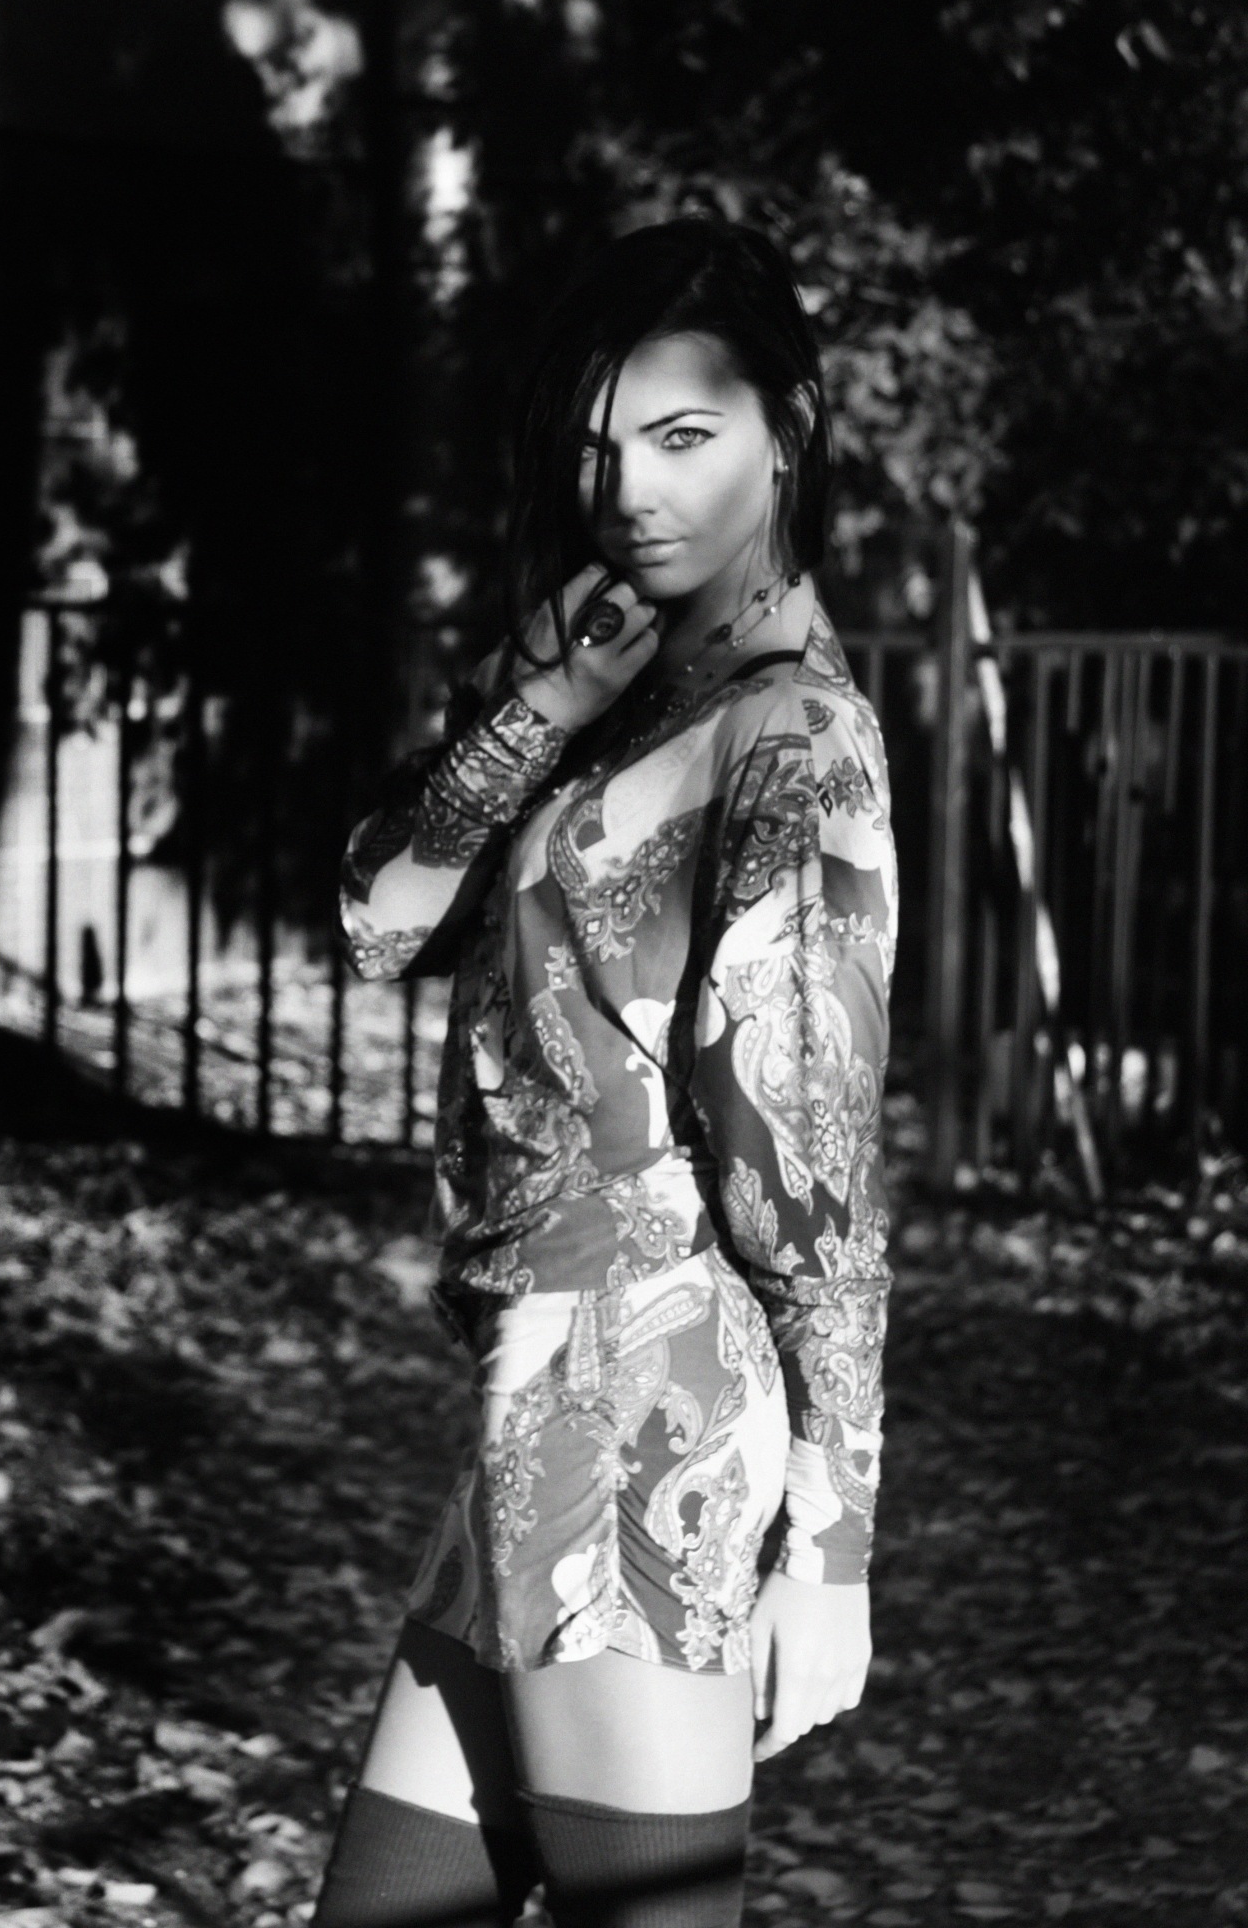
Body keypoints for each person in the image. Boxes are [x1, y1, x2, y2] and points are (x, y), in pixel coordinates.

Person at [313, 219, 897, 1928]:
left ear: (787, 430)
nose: (628, 492)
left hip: (647, 1405)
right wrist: (542, 702)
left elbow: (808, 1171)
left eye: (682, 435)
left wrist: (833, 1547)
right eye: (596, 447)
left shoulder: (795, 737)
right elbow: (374, 920)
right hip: (532, 1391)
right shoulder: (624, 699)